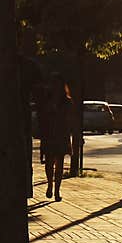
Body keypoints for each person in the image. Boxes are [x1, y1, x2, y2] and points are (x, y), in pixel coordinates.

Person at [41, 73, 75, 202]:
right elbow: (43, 117)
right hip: (50, 134)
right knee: (49, 162)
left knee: (59, 163)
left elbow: (70, 119)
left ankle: (57, 191)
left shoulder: (66, 101)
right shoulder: (47, 99)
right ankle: (50, 184)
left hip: (61, 134)